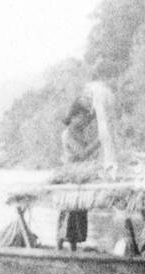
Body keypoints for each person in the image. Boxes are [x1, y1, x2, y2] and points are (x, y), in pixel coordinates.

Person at [57, 98, 99, 250]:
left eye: (83, 118)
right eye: (80, 117)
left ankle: (74, 249)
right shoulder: (67, 133)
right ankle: (59, 248)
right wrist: (99, 141)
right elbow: (81, 154)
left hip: (81, 174)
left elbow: (90, 118)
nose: (83, 121)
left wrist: (97, 108)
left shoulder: (78, 129)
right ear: (73, 117)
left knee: (79, 212)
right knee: (69, 212)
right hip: (71, 174)